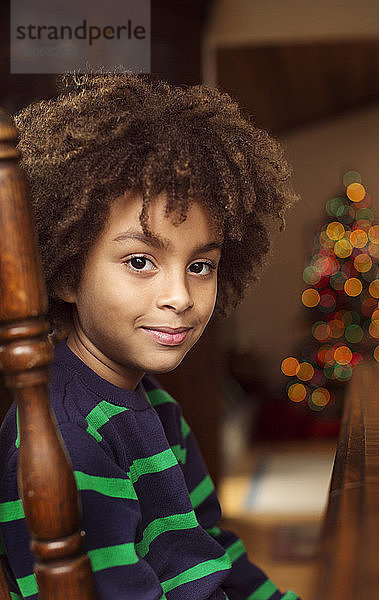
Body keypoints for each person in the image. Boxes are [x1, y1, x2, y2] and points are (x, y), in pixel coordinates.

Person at [0, 71, 299, 600]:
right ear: (66, 271)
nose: (180, 296)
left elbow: (217, 552)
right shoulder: (67, 439)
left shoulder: (158, 408)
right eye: (141, 261)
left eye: (202, 266)